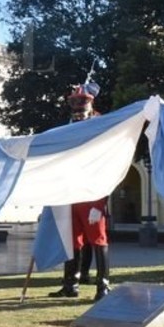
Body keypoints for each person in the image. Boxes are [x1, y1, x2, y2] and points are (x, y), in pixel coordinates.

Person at [48, 81, 112, 302]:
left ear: (90, 107)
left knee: (98, 238)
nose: (77, 111)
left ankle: (103, 285)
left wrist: (101, 200)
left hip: (92, 193)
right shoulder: (68, 128)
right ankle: (70, 284)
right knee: (72, 240)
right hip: (70, 191)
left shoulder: (100, 126)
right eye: (74, 106)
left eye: (81, 106)